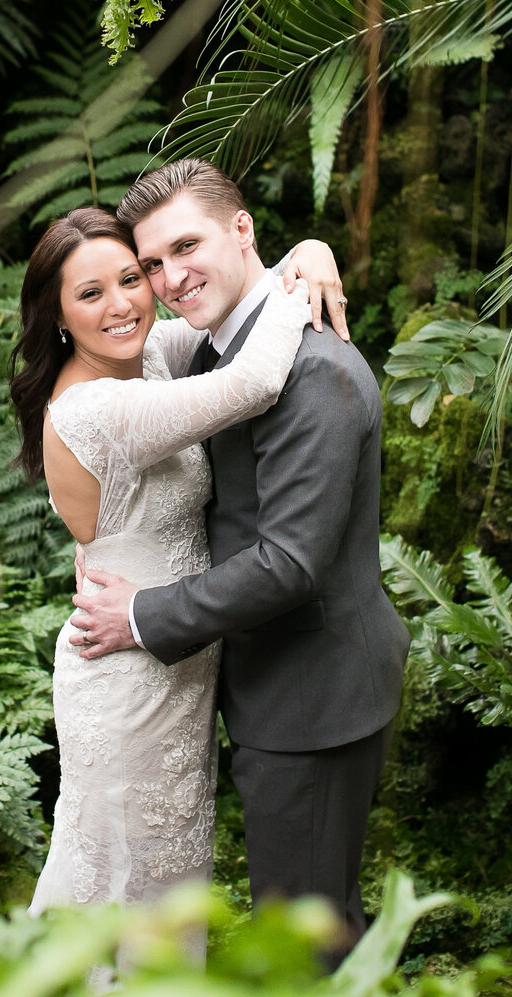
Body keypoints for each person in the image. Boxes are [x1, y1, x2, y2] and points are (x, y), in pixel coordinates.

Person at [70, 160, 409, 952]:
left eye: (185, 246)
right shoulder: (217, 347)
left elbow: (290, 562)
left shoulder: (313, 371)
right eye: (152, 263)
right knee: (310, 927)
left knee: (306, 945)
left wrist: (142, 615)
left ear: (243, 228)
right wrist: (311, 251)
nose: (170, 277)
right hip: (273, 685)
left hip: (313, 696)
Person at [10, 206, 346, 918]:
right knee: (121, 887)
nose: (124, 303)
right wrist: (303, 276)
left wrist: (307, 251)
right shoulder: (96, 406)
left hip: (177, 662)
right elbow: (251, 382)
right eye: (90, 293)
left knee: (162, 883)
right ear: (59, 316)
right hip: (129, 673)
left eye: (131, 278)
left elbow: (229, 314)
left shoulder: (148, 357)